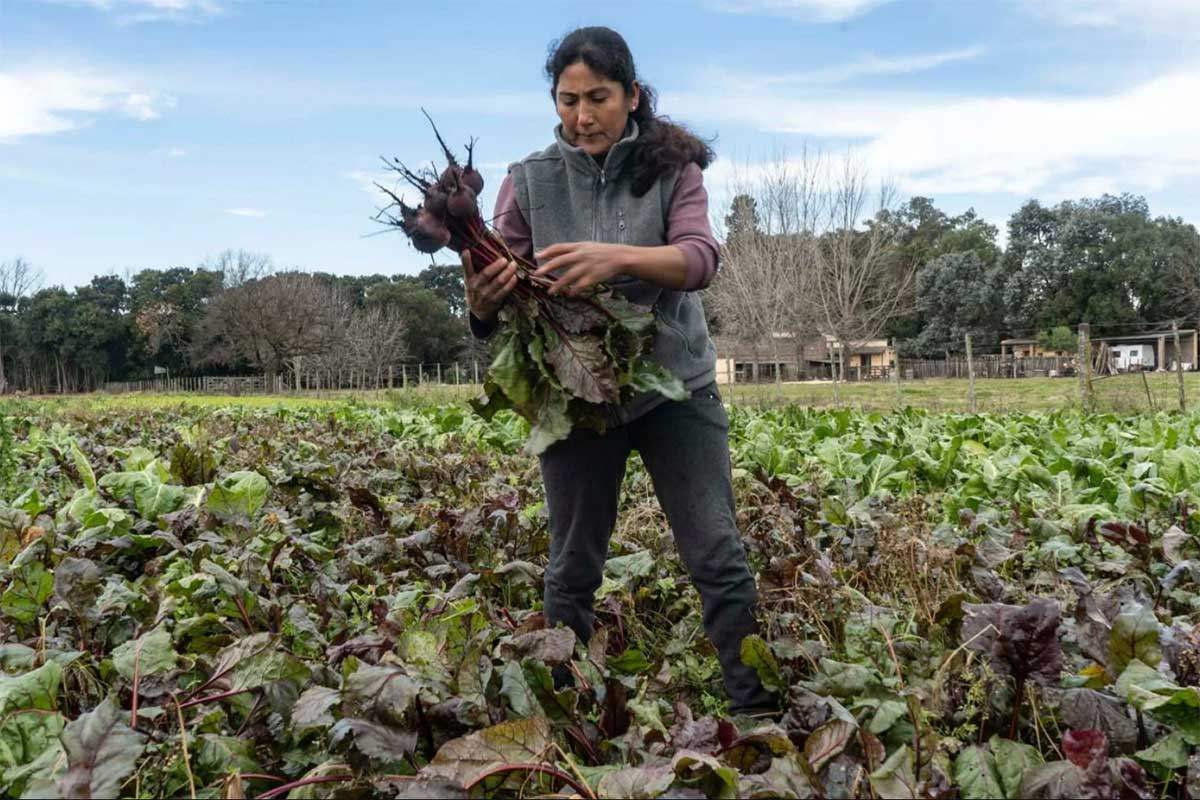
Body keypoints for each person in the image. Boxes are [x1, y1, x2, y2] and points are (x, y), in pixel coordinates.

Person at [463, 26, 775, 716]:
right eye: (568, 100)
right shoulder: (528, 181)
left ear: (631, 96)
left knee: (716, 553)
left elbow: (699, 259)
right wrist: (480, 305)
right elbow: (503, 283)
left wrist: (617, 258)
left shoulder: (671, 170)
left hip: (674, 389)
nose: (582, 116)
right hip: (577, 398)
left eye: (598, 98)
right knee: (573, 565)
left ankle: (755, 712)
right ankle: (562, 713)